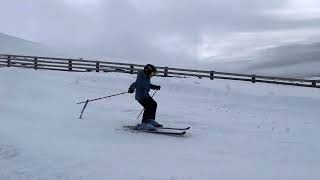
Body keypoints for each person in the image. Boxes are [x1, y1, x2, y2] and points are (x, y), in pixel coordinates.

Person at [128, 64, 162, 131]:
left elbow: (148, 85)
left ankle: (150, 120)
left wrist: (155, 87)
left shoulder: (146, 77)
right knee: (148, 107)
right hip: (141, 96)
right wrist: (131, 88)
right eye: (152, 73)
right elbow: (135, 83)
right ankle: (144, 123)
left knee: (154, 104)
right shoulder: (141, 77)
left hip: (146, 95)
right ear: (147, 71)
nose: (152, 75)